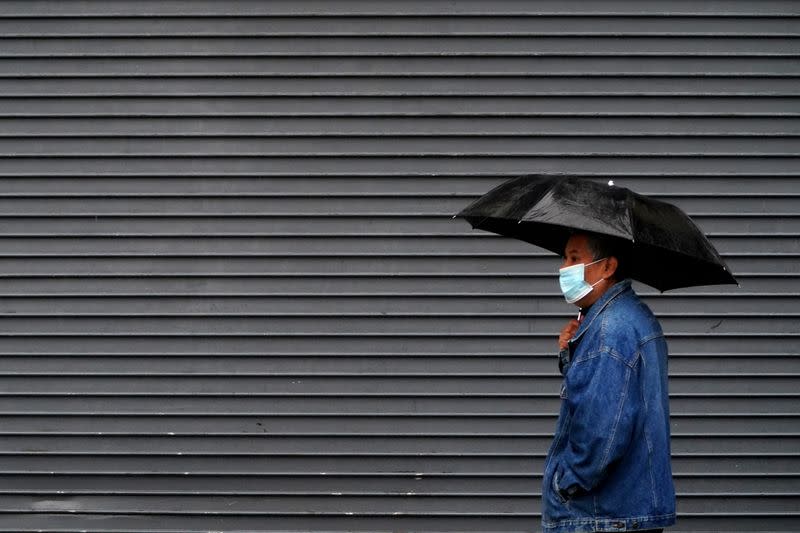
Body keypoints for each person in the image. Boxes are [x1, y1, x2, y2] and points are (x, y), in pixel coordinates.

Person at [541, 232, 676, 533]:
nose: (564, 267)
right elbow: (606, 395)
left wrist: (564, 484)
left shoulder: (608, 331)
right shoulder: (634, 318)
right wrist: (570, 354)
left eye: (575, 258)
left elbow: (601, 433)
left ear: (608, 267)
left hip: (602, 515)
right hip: (628, 510)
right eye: (564, 258)